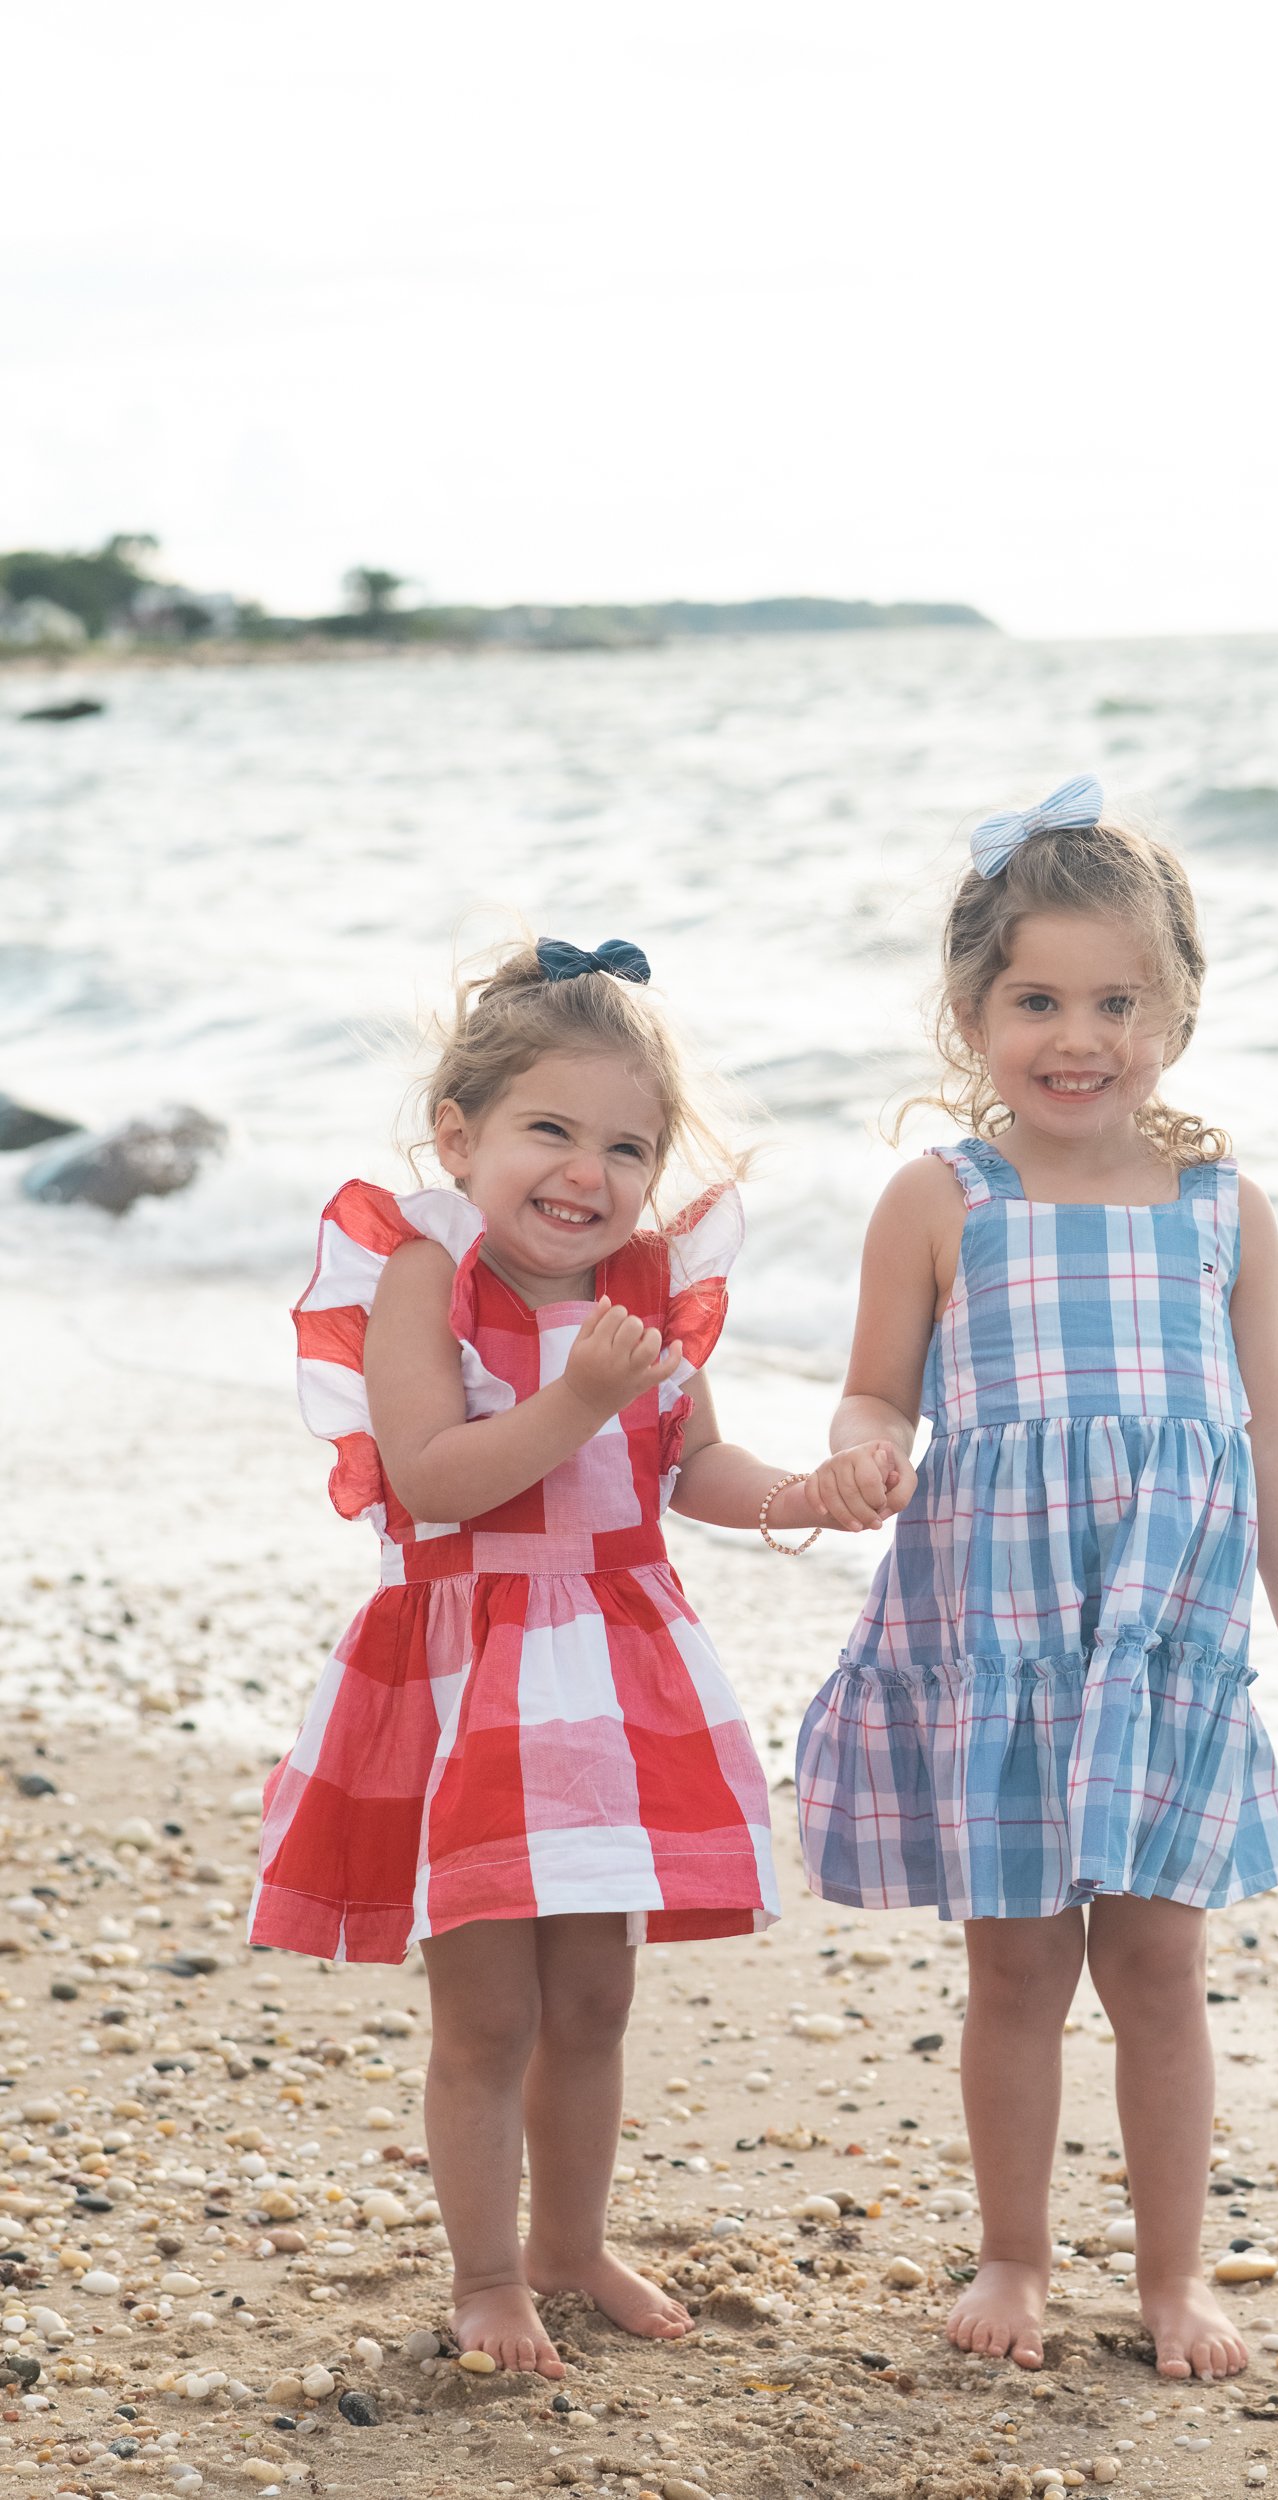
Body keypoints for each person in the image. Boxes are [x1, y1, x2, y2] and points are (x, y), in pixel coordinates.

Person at [793, 781, 1278, 2381]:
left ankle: (1175, 2276)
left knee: (1156, 1968)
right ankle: (1013, 2255)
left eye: (1119, 1001)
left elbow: (1269, 1443)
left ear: (1177, 1010)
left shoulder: (1222, 1211)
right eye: (1038, 999)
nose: (1080, 1035)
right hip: (997, 1644)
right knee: (1014, 1968)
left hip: (1166, 1647)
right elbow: (875, 1391)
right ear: (973, 1012)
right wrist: (860, 1451)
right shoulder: (944, 1200)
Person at [251, 934, 869, 2377]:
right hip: (473, 1678)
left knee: (595, 1995)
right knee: (488, 2010)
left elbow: (691, 1465)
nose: (586, 1173)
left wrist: (802, 1497)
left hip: (614, 1666)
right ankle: (483, 2277)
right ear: (460, 1137)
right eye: (550, 1130)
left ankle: (571, 2242)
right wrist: (581, 1399)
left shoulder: (647, 1294)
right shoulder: (426, 1277)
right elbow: (433, 1477)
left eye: (627, 1146)